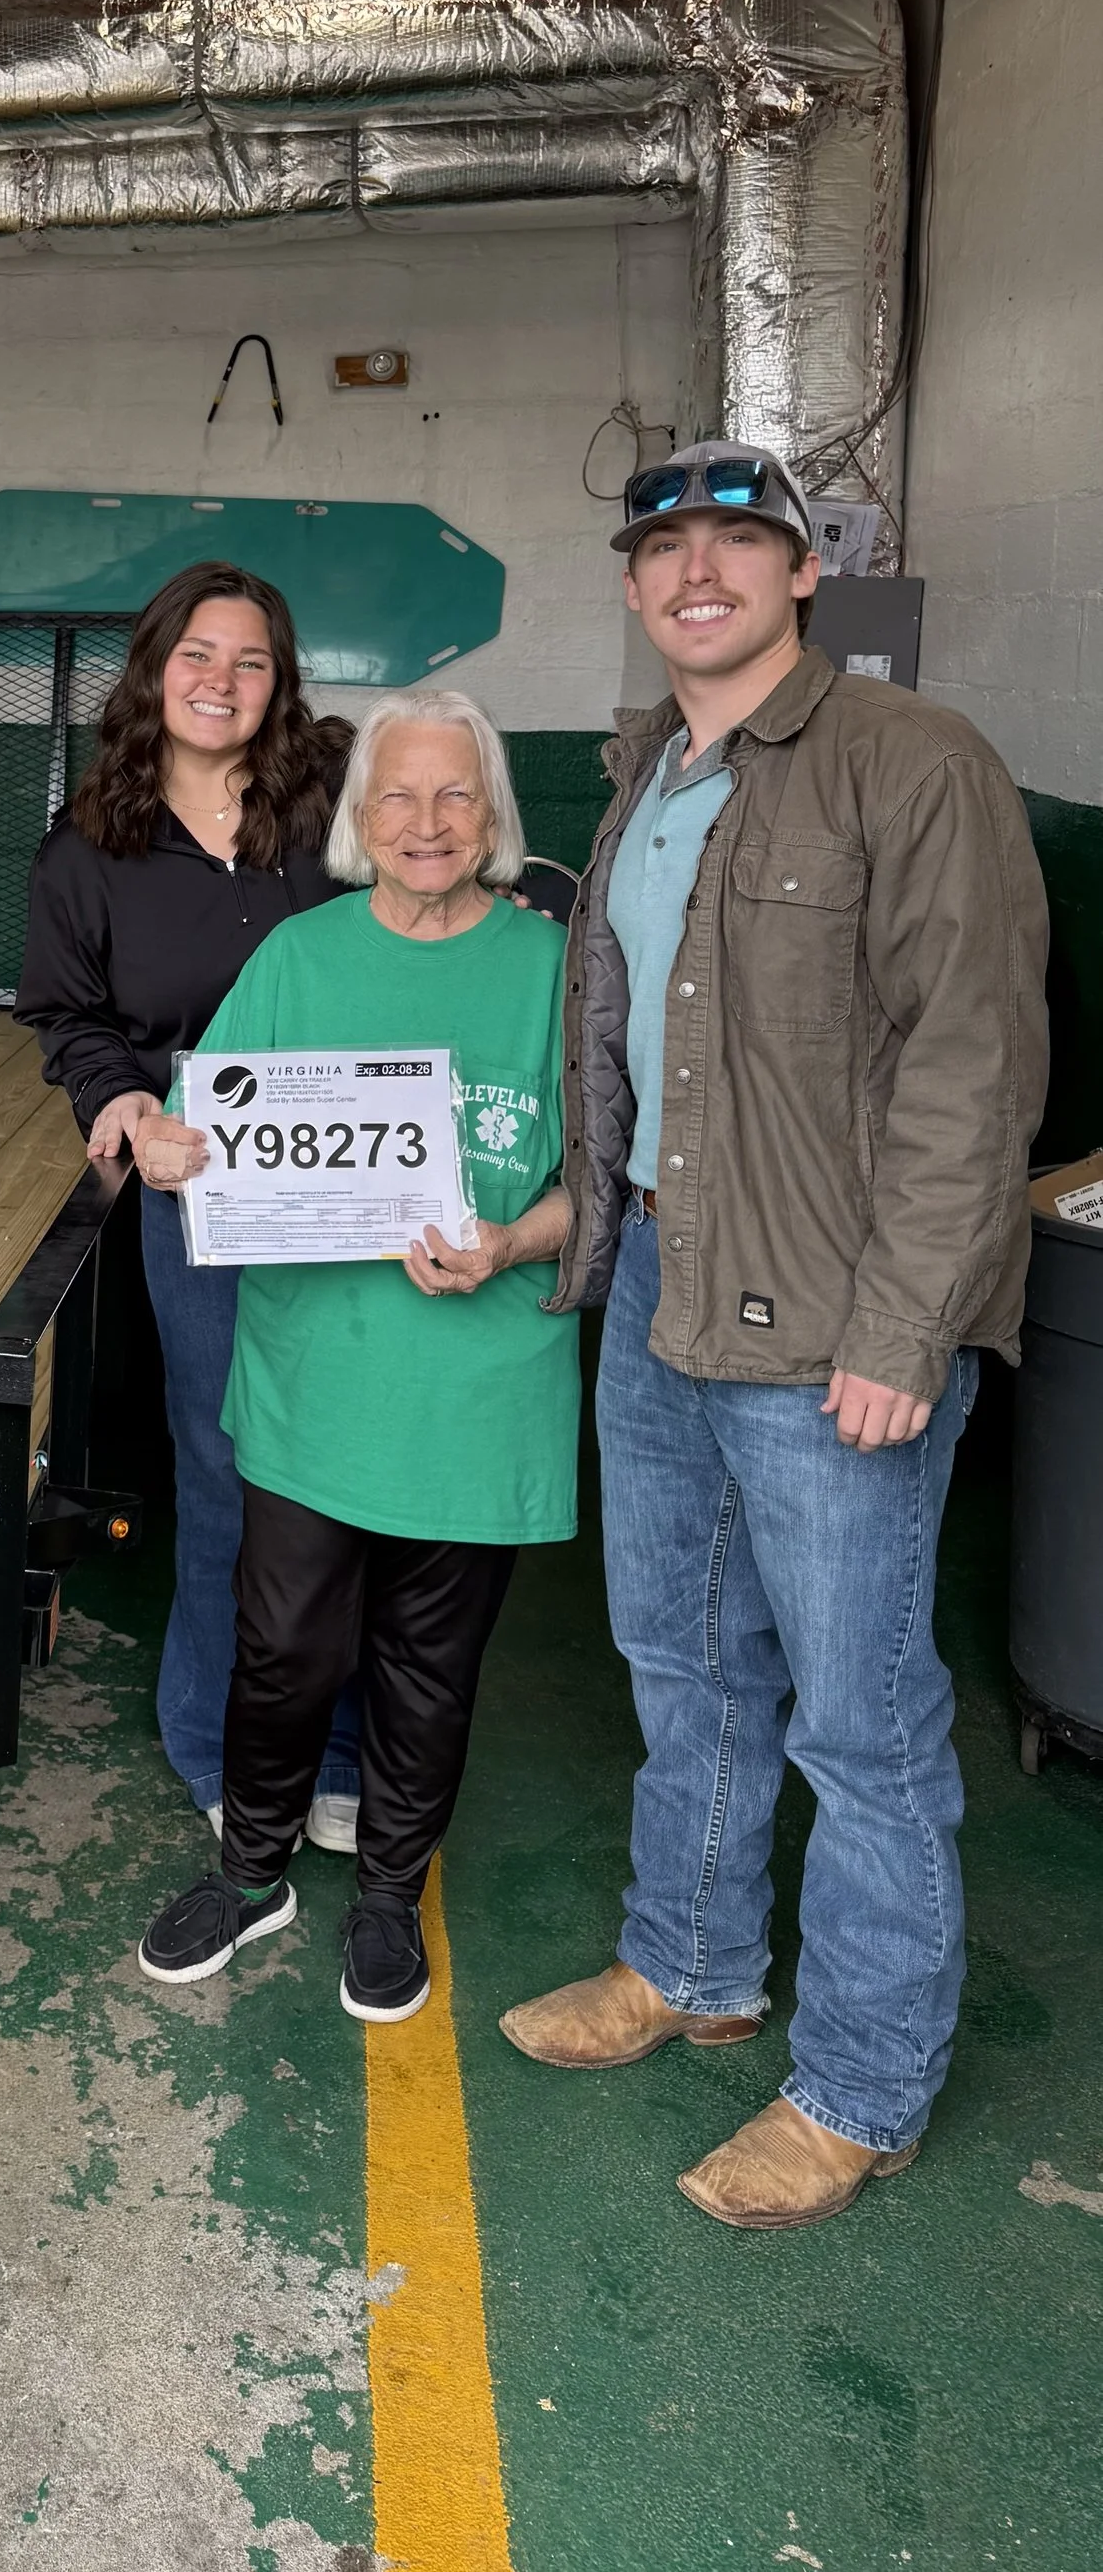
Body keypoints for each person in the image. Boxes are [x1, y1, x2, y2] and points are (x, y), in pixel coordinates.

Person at [501, 441, 1050, 2228]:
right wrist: (582, 1224)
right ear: (636, 583)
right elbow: (640, 1060)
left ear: (806, 577)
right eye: (667, 549)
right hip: (665, 1281)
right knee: (683, 1663)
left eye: (743, 542)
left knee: (865, 1721)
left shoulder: (916, 761)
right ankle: (693, 1966)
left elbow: (973, 1065)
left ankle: (867, 2085)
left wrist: (909, 1330)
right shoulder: (647, 772)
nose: (701, 573)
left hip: (837, 1325)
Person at [126, 687, 577, 2022]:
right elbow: (215, 1134)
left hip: (479, 1381)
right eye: (399, 797)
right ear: (360, 820)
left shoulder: (555, 970)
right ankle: (250, 1869)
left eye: (454, 796)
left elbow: (604, 1180)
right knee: (283, 1648)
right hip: (317, 1374)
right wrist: (165, 1137)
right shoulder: (303, 960)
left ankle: (388, 1897)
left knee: (430, 1663)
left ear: (491, 816)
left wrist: (508, 1242)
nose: (427, 823)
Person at [16, 562, 368, 1848]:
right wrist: (121, 1108)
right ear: (155, 671)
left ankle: (340, 1746)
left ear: (280, 683)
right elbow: (70, 1016)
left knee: (345, 1469)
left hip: (352, 1180)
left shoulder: (332, 808)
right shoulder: (90, 843)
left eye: (251, 661)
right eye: (198, 657)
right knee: (226, 1466)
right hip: (201, 1178)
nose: (222, 683)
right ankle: (219, 1742)